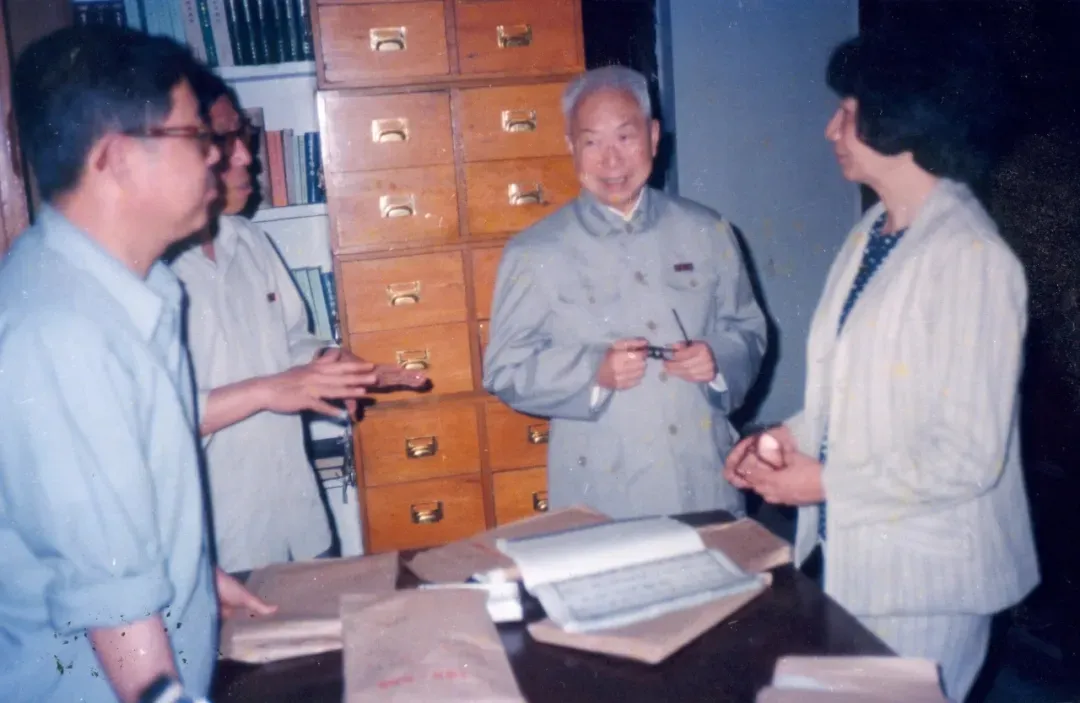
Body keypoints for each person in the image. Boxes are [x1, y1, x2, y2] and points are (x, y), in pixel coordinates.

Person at [723, 32, 1039, 701]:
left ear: (902, 119)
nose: (830, 128)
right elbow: (849, 393)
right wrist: (783, 440)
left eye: (847, 110)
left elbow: (967, 456)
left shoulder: (971, 258)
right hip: (860, 557)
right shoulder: (874, 233)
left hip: (929, 578)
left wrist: (822, 481)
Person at [0, 26, 273, 703]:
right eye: (197, 136)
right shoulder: (62, 331)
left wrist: (192, 574)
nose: (221, 155)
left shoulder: (133, 290)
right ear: (119, 158)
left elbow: (110, 510)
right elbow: (114, 605)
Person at [169, 68, 427, 574]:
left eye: (242, 137)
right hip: (221, 547)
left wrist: (336, 366)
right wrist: (269, 390)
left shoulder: (249, 241)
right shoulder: (149, 271)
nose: (246, 157)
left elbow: (289, 339)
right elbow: (154, 421)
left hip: (299, 521)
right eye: (223, 140)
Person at [483, 65, 767, 519]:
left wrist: (716, 360)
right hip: (602, 494)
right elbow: (504, 371)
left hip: (702, 480)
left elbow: (747, 330)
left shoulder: (707, 230)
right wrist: (593, 372)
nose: (610, 161)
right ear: (571, 147)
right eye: (592, 142)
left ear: (653, 137)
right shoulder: (535, 251)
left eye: (624, 137)